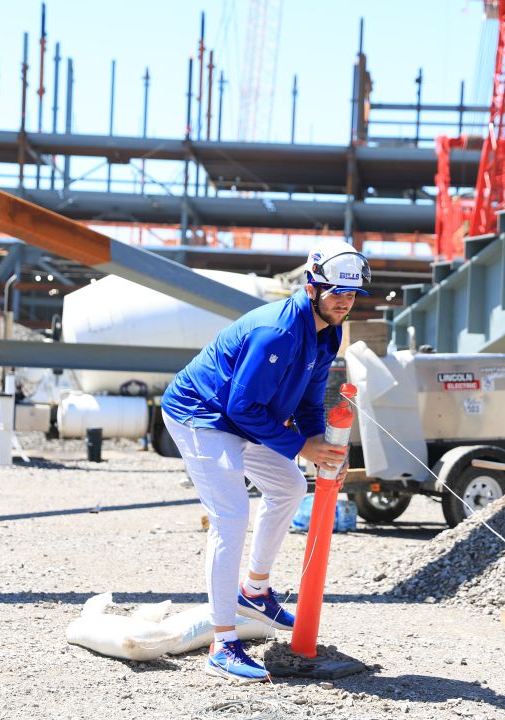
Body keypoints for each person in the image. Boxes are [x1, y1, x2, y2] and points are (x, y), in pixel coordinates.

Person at [161, 239, 369, 682]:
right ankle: (223, 644)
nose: (345, 301)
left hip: (242, 416)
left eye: (351, 294)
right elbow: (241, 407)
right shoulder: (277, 331)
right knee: (231, 516)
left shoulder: (328, 331)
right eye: (337, 292)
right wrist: (301, 448)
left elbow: (310, 403)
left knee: (290, 487)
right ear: (312, 287)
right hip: (202, 415)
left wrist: (321, 445)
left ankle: (254, 593)